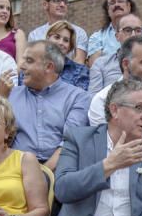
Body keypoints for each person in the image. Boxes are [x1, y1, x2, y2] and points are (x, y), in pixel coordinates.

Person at [50, 79, 142, 216]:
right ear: (114, 110)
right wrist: (109, 165)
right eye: (139, 108)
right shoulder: (79, 139)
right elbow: (63, 190)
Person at [9, 40, 91, 169]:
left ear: (49, 67)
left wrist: (43, 174)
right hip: (16, 169)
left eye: (29, 61)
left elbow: (69, 143)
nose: (22, 66)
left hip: (60, 170)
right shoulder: (11, 95)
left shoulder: (78, 97)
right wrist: (0, 97)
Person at [89, 14, 142, 92]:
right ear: (117, 36)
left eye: (138, 30)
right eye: (128, 30)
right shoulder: (100, 64)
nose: (133, 35)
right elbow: (93, 97)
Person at [86, 0, 142, 65]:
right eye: (112, 2)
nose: (116, 5)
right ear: (108, 10)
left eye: (120, 1)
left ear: (129, 6)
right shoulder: (97, 38)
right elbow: (96, 68)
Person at [27, 0, 87, 64]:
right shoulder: (34, 35)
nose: (62, 5)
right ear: (45, 5)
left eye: (65, 1)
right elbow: (32, 63)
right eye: (57, 0)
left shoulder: (79, 32)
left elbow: (79, 62)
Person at [45, 20, 89, 90]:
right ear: (48, 38)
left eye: (66, 40)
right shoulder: (32, 65)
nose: (60, 43)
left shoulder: (80, 71)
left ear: (70, 47)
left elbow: (81, 98)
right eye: (57, 37)